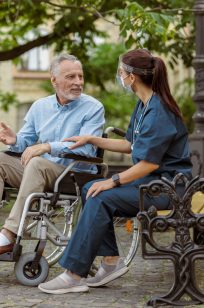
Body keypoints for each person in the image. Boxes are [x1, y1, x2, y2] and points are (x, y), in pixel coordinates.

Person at [38, 48, 192, 294]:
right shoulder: (143, 106)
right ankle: (110, 261)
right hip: (151, 182)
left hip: (169, 188)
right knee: (90, 188)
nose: (119, 76)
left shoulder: (159, 110)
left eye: (121, 72)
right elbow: (130, 145)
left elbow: (150, 163)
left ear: (132, 77)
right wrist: (92, 139)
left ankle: (74, 274)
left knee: (101, 194)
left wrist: (113, 181)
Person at [0, 53, 105, 254]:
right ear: (53, 80)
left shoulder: (93, 108)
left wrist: (48, 146)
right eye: (71, 77)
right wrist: (14, 141)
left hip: (72, 175)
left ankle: (9, 234)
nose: (78, 82)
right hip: (38, 171)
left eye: (80, 76)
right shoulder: (40, 106)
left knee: (37, 162)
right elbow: (26, 143)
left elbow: (86, 148)